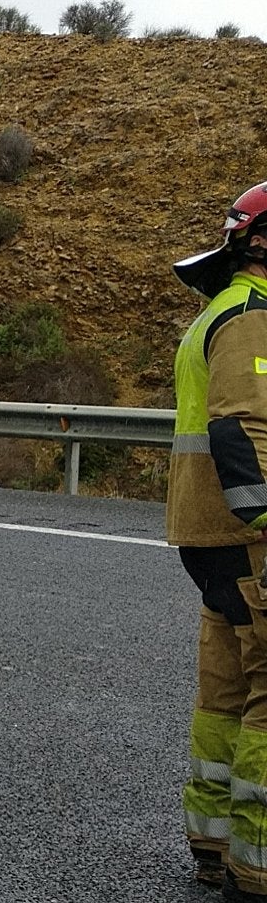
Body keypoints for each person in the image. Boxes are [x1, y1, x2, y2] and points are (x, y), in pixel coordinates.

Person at [169, 181, 267, 899]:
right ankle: (257, 863)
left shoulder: (218, 312)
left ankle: (214, 841)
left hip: (206, 530)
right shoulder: (255, 319)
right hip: (247, 534)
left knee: (226, 690)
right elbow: (243, 428)